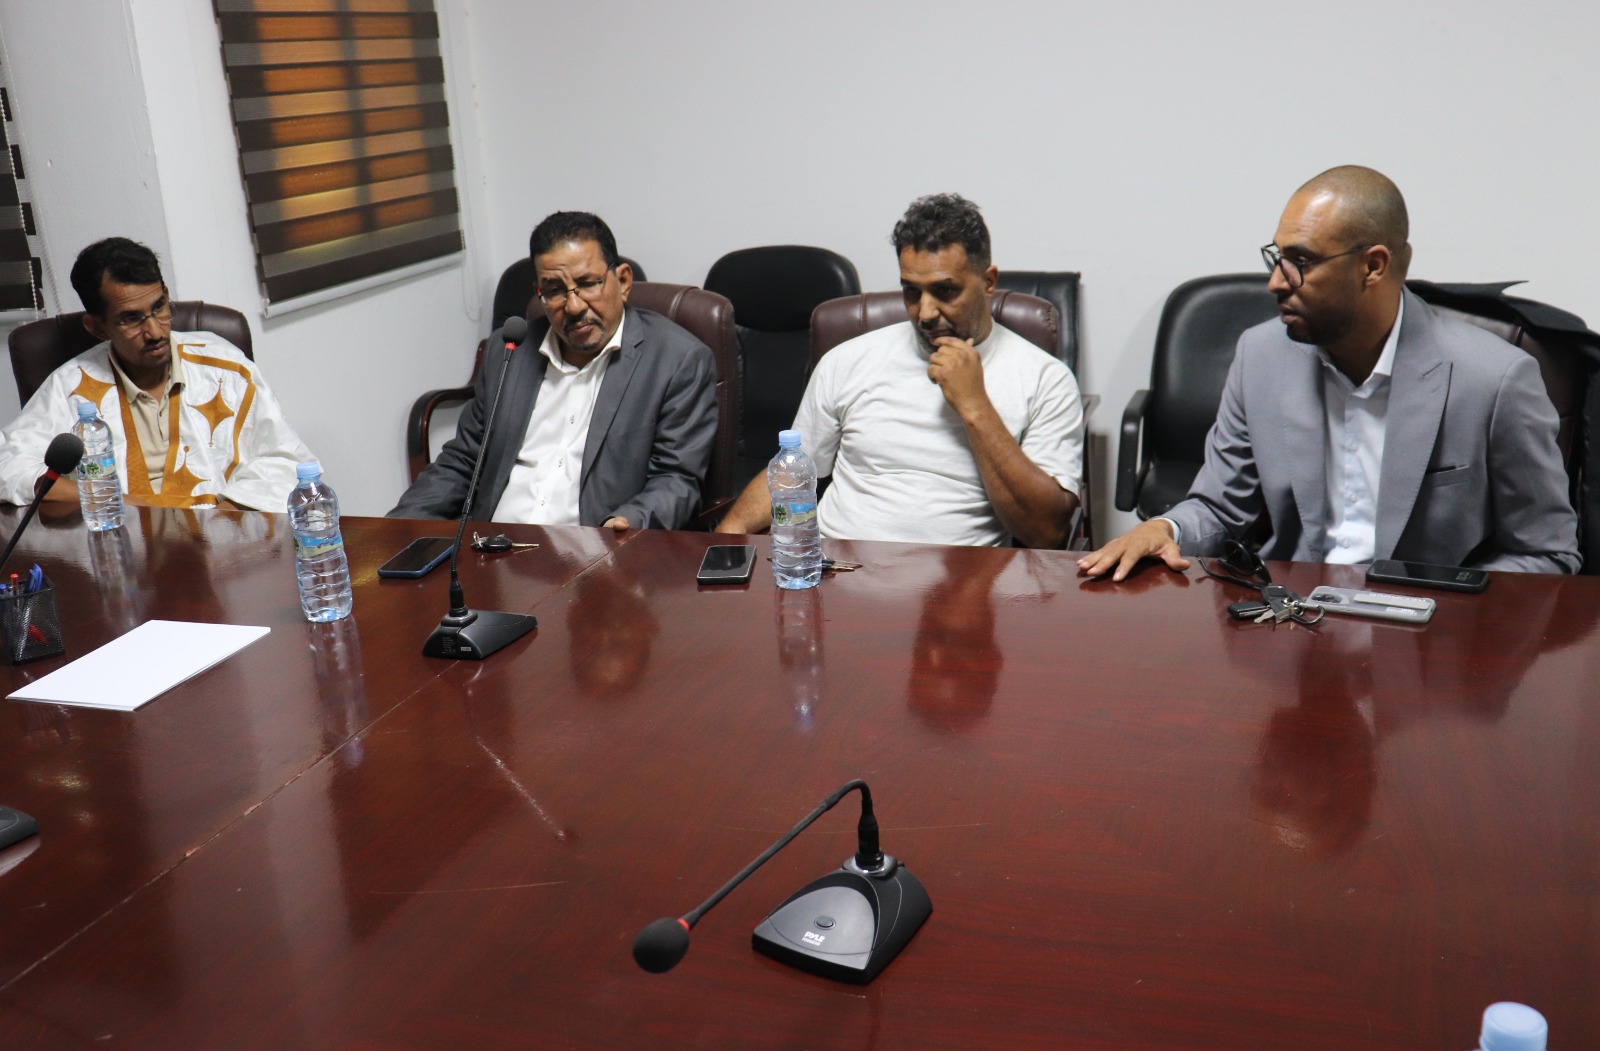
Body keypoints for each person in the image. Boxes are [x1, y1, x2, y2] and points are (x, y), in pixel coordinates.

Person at [1080, 166, 1579, 580]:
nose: (1276, 282)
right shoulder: (1261, 356)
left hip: (1429, 637)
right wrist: (1164, 529)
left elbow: (1547, 553)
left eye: (1300, 261)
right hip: (1292, 624)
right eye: (1277, 257)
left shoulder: (1493, 379)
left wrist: (1452, 614)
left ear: (1373, 266)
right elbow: (1219, 507)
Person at [716, 193, 1083, 548]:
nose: (925, 313)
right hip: (839, 566)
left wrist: (975, 406)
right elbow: (794, 472)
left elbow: (1046, 533)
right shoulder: (848, 360)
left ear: (988, 282)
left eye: (945, 291)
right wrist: (729, 534)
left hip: (959, 579)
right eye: (911, 291)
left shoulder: (1044, 379)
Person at [390, 211, 716, 530]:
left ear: (623, 281)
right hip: (491, 547)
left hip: (592, 549)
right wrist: (394, 529)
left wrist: (627, 523)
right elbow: (464, 460)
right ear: (539, 292)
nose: (573, 306)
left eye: (588, 284)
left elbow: (676, 480)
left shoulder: (677, 360)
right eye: (555, 290)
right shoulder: (509, 352)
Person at [0, 237, 314, 511]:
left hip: (222, 539)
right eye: (131, 319)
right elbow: (7, 466)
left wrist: (224, 519)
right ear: (96, 327)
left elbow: (286, 460)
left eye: (159, 307)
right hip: (122, 543)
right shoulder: (70, 387)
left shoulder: (226, 367)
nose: (155, 331)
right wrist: (111, 500)